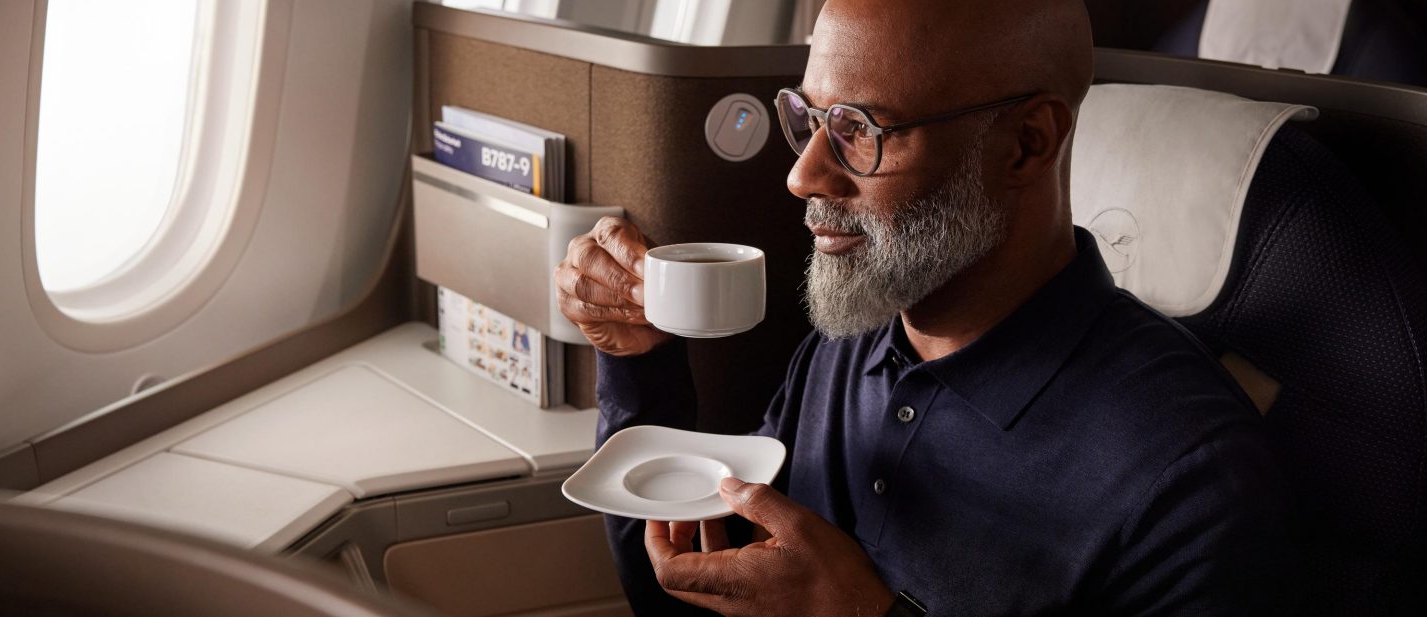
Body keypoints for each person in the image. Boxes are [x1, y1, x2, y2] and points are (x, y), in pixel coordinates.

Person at [555, 0, 1296, 614]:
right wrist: (637, 359)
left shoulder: (1190, 480)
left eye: (858, 131)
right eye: (809, 121)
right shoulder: (852, 340)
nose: (803, 174)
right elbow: (688, 593)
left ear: (1026, 145)